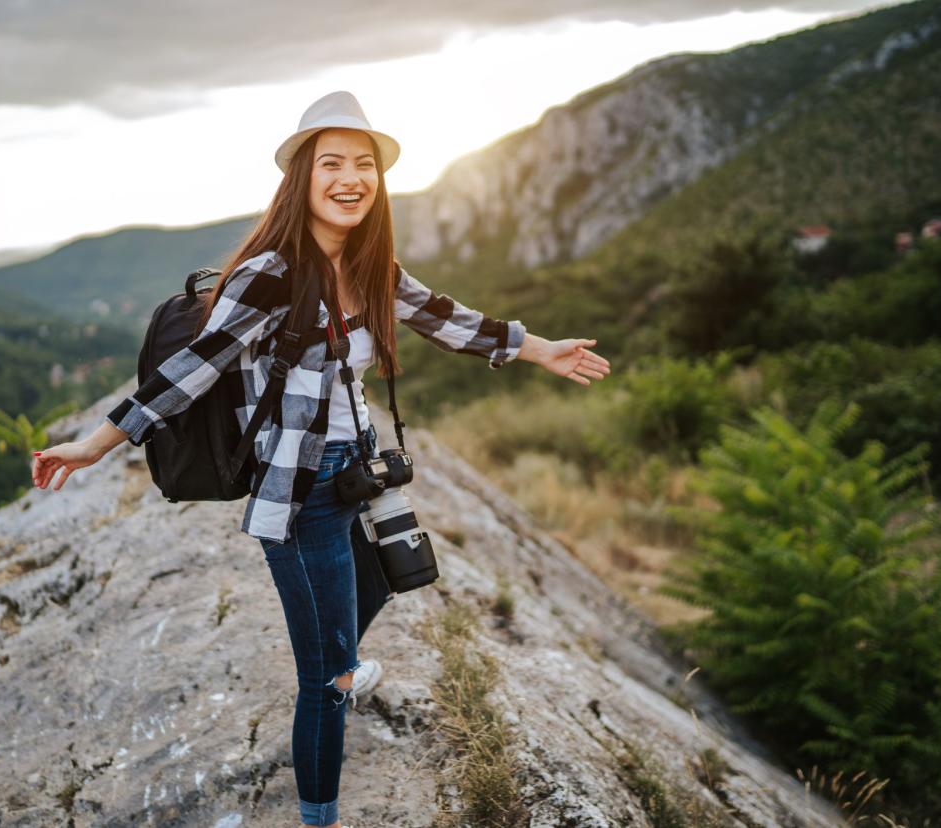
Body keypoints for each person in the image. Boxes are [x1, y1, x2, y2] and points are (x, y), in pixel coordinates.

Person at [31, 90, 610, 828]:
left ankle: (334, 652)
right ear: (302, 177)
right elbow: (191, 371)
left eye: (363, 164)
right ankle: (320, 812)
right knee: (327, 681)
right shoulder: (271, 273)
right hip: (301, 495)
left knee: (384, 591)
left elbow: (446, 318)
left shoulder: (372, 268)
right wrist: (95, 443)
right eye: (331, 162)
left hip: (357, 480)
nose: (350, 178)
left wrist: (539, 349)